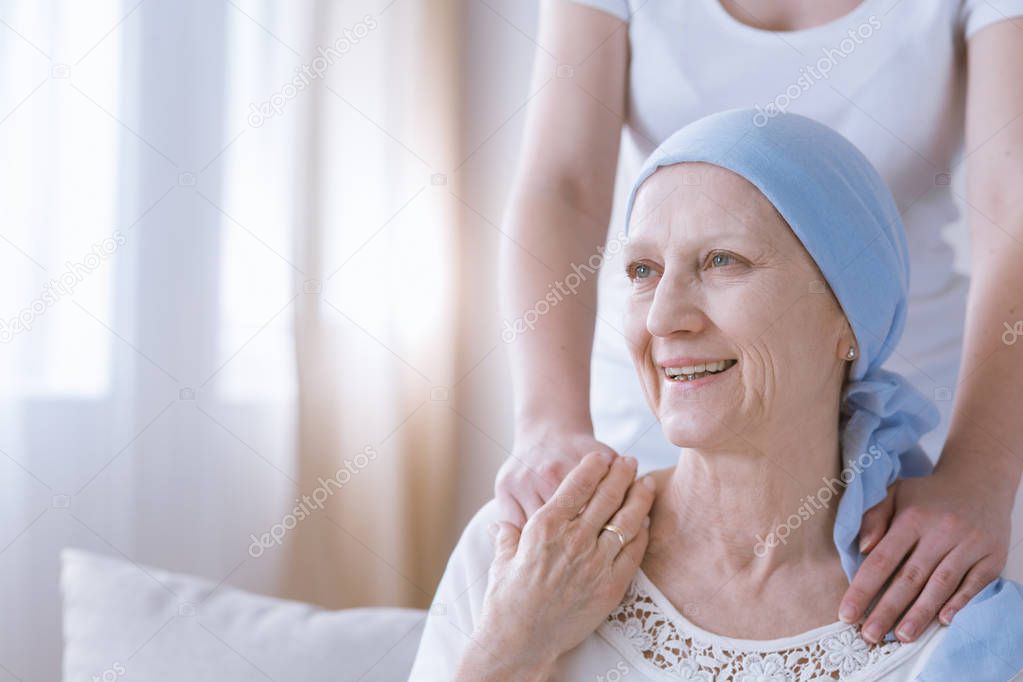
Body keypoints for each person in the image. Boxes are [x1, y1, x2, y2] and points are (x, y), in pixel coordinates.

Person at [411, 109, 1023, 681]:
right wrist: (514, 644)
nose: (663, 318)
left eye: (722, 261)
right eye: (642, 271)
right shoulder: (524, 544)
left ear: (849, 320)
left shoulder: (948, 616)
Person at [495, 0, 1023, 645]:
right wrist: (549, 425)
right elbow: (564, 185)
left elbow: (1014, 203)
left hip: (942, 415)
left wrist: (980, 475)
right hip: (660, 400)